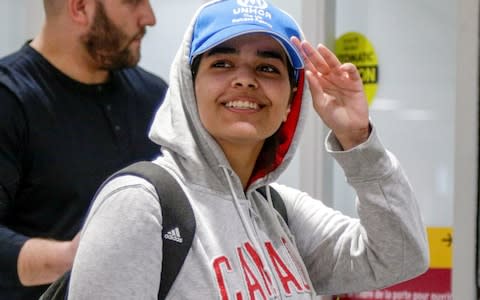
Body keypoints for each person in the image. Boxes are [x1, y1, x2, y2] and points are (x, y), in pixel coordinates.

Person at [68, 0, 429, 299]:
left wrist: (357, 139)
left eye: (267, 68)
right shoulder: (141, 204)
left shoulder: (282, 212)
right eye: (221, 63)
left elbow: (399, 256)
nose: (244, 79)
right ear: (188, 87)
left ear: (291, 100)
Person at [0, 0, 168, 299]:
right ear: (79, 8)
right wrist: (72, 257)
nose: (149, 18)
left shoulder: (155, 98)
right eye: (133, 2)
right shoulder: (10, 100)